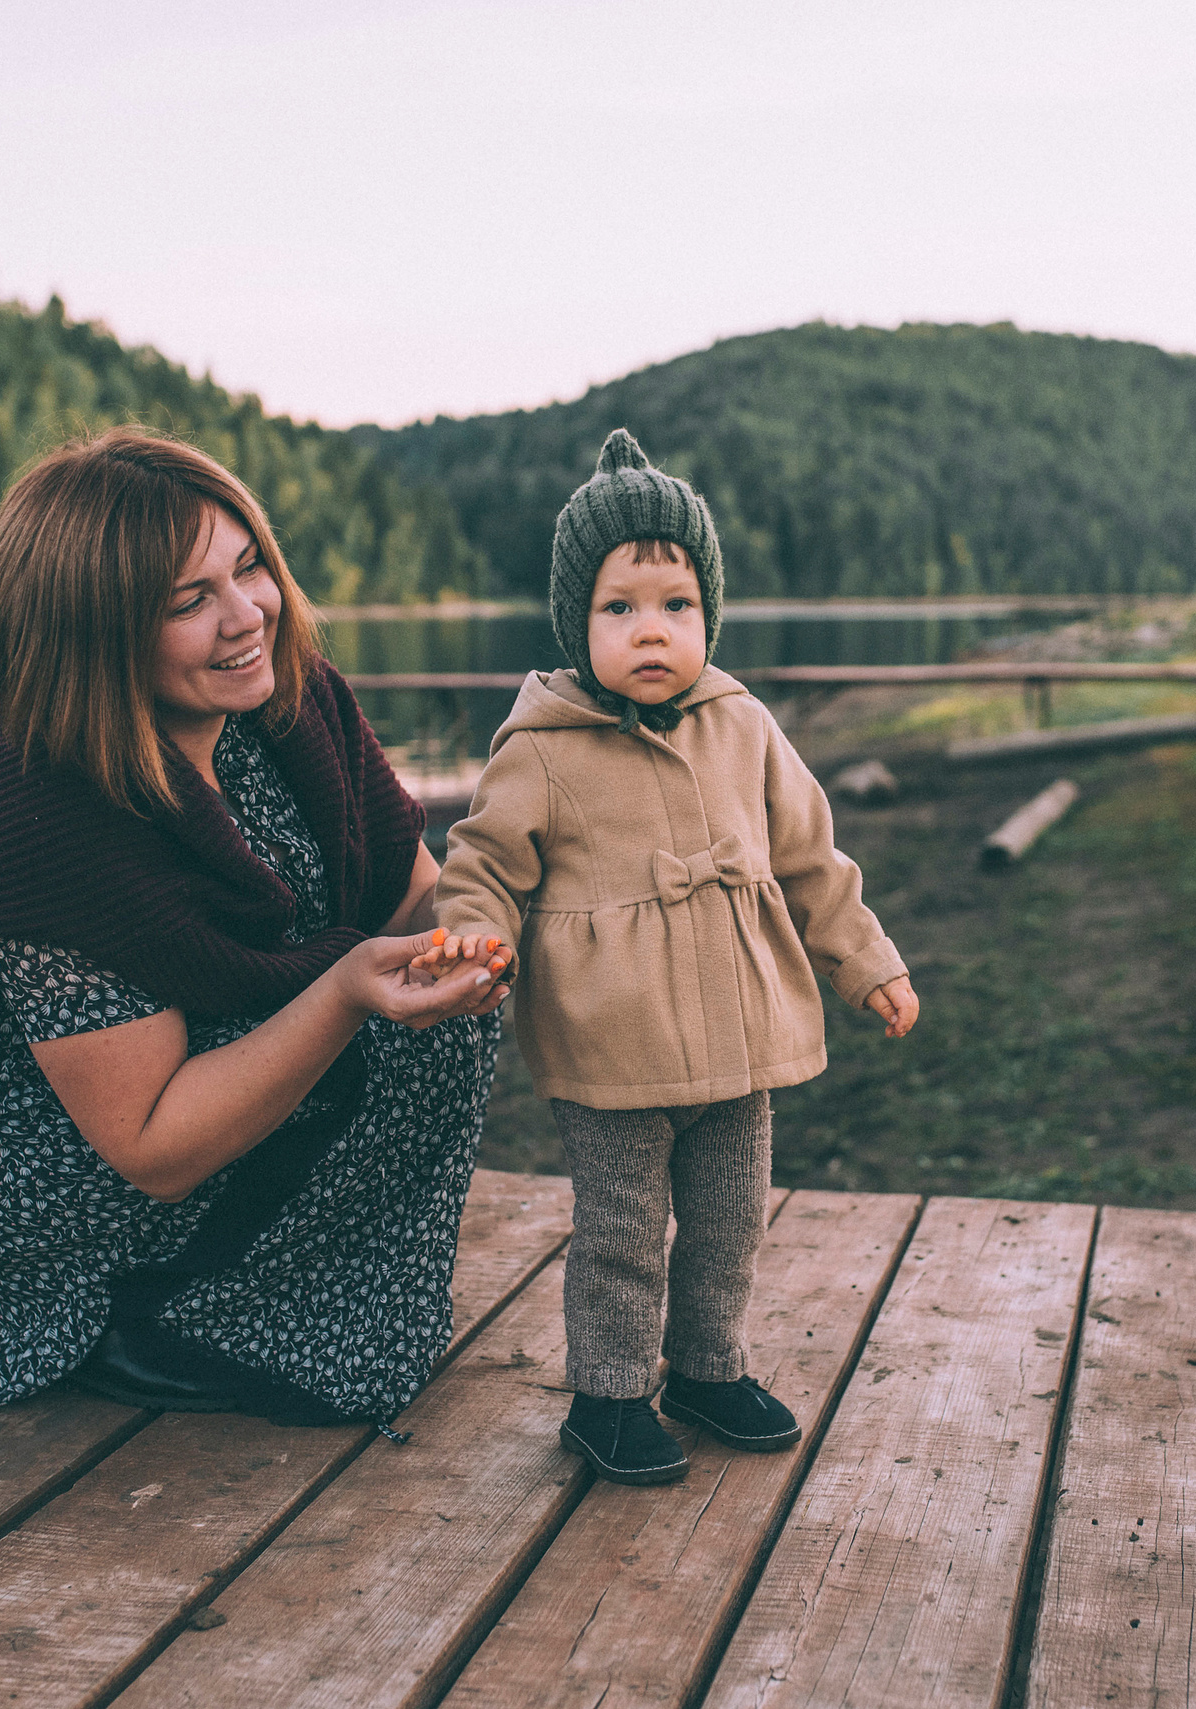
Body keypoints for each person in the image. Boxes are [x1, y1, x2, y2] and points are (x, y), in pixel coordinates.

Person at [0, 428, 508, 1432]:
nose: (246, 616)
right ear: (93, 630)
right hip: (10, 1149)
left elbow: (411, 907)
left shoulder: (290, 706)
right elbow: (152, 1144)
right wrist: (348, 987)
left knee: (438, 1026)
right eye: (189, 601)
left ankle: (247, 1303)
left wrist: (511, 904)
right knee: (370, 1035)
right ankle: (139, 1318)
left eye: (248, 565)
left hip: (170, 1076)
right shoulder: (31, 813)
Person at [424, 429, 918, 1484]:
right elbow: (484, 860)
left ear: (708, 614)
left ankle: (706, 1364)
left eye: (676, 605)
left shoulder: (741, 724)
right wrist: (476, 933)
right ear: (575, 620)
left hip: (740, 1036)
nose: (652, 629)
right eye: (619, 608)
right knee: (620, 1228)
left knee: (731, 1221)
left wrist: (867, 962)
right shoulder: (542, 743)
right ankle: (607, 1394)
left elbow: (810, 857)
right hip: (614, 1046)